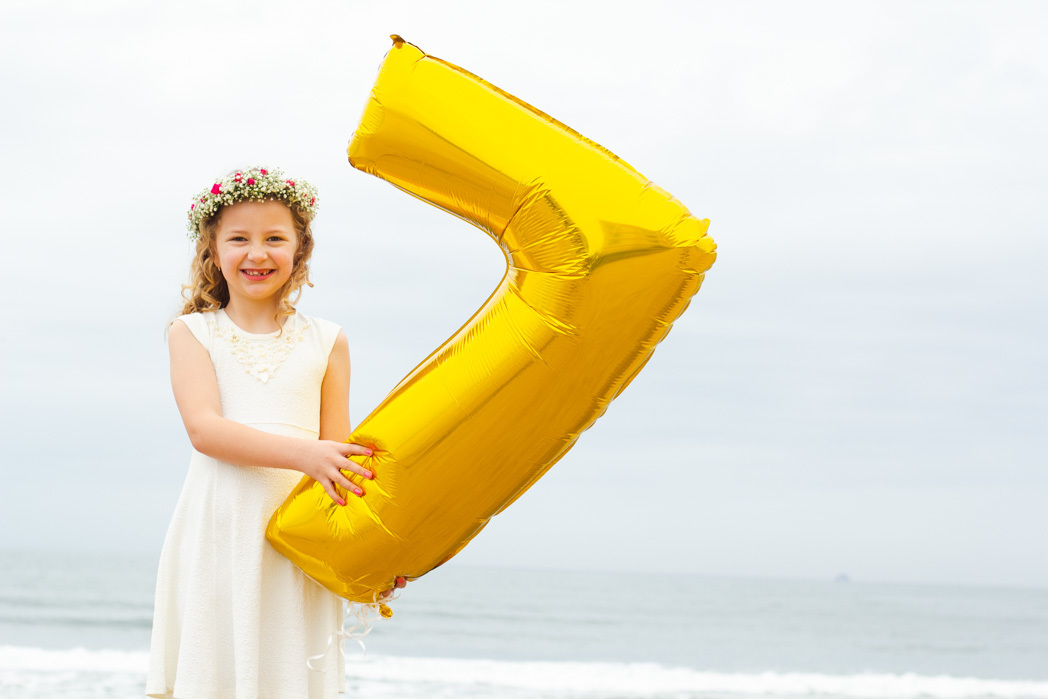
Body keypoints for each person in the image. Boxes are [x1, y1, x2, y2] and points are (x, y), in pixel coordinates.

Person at [146, 166, 404, 698]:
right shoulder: (192, 332)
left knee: (288, 678)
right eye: (238, 239)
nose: (257, 253)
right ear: (212, 252)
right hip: (222, 529)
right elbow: (206, 430)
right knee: (216, 671)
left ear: (299, 251)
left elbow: (341, 461)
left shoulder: (329, 340)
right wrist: (307, 455)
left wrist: (375, 554)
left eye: (275, 239)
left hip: (295, 536)